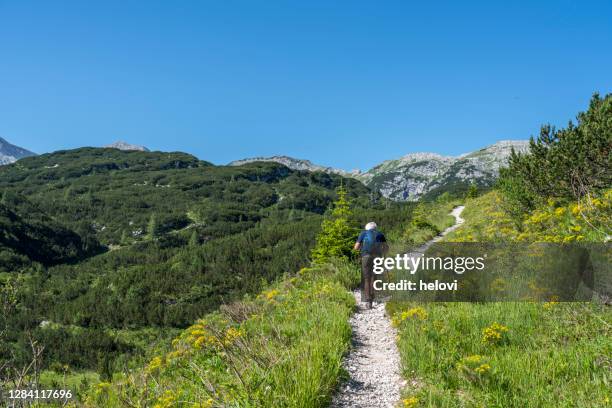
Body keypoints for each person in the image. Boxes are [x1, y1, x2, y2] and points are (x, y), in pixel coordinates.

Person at [354, 222, 388, 309]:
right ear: (375, 228)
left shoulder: (363, 233)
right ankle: (372, 299)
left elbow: (356, 247)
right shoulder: (380, 234)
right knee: (374, 278)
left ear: (367, 228)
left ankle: (368, 301)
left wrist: (362, 249)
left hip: (366, 257)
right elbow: (386, 248)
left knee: (366, 279)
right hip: (377, 258)